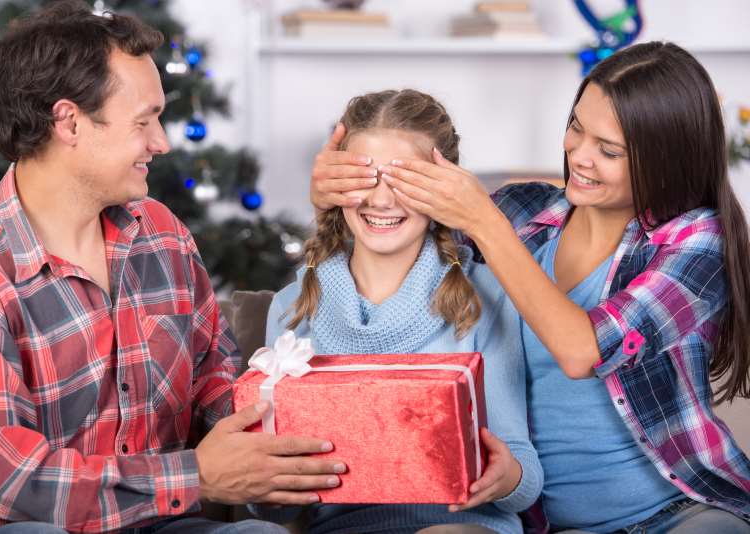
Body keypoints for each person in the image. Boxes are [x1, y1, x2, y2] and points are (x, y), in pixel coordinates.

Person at [310, 42, 750, 533]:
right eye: (576, 128)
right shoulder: (524, 211)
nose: (578, 156)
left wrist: (484, 223)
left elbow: (583, 350)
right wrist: (334, 200)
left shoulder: (696, 241)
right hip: (541, 524)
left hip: (675, 515)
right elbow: (397, 254)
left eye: (608, 150)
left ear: (666, 158)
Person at [0, 2, 344, 532]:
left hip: (159, 522)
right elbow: (7, 487)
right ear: (69, 122)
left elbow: (215, 382)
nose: (160, 143)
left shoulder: (162, 235)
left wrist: (269, 438)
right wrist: (195, 478)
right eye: (145, 121)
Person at [257, 89, 542, 534]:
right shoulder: (292, 308)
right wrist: (269, 487)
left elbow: (524, 477)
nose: (381, 201)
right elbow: (271, 508)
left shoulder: (485, 299)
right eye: (364, 179)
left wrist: (505, 477)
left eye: (404, 181)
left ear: (443, 188)